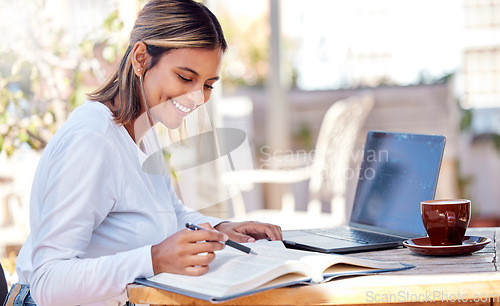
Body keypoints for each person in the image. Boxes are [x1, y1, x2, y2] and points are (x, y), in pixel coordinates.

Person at [6, 0, 282, 305]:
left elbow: (171, 214)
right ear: (141, 58)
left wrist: (219, 229)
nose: (197, 97)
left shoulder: (141, 133)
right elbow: (48, 281)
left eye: (208, 85)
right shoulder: (93, 141)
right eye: (185, 77)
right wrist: (154, 259)